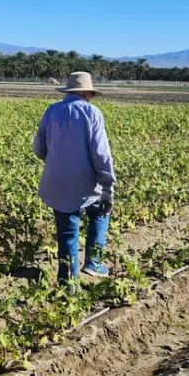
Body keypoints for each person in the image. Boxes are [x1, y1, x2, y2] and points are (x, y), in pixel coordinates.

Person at [34, 71, 116, 284]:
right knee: (100, 213)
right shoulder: (92, 113)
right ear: (88, 92)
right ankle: (93, 262)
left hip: (57, 182)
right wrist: (107, 187)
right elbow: (101, 154)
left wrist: (56, 161)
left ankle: (68, 280)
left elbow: (39, 148)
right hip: (87, 183)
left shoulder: (52, 111)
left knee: (67, 231)